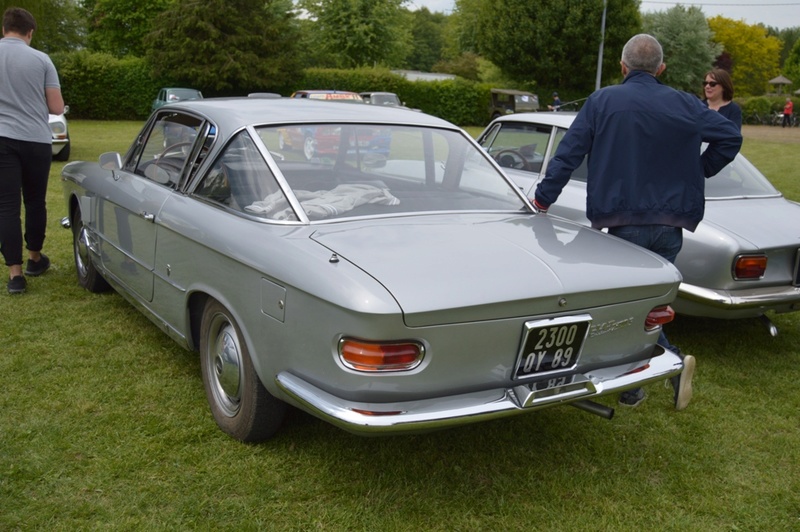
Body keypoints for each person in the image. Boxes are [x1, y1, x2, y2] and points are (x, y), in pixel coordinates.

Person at [532, 34, 742, 411]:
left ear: (622, 66)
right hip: (670, 224)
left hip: (623, 222)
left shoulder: (603, 101)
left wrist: (543, 198)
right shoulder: (684, 103)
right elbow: (730, 136)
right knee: (647, 308)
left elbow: (569, 153)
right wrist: (698, 170)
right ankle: (638, 383)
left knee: (621, 310)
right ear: (661, 69)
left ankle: (663, 368)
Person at [0, 7, 64, 294]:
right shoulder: (42, 59)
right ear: (30, 32)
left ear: (4, 30)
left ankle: (15, 275)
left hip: (2, 138)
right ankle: (34, 259)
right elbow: (56, 107)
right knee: (35, 201)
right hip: (36, 140)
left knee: (7, 206)